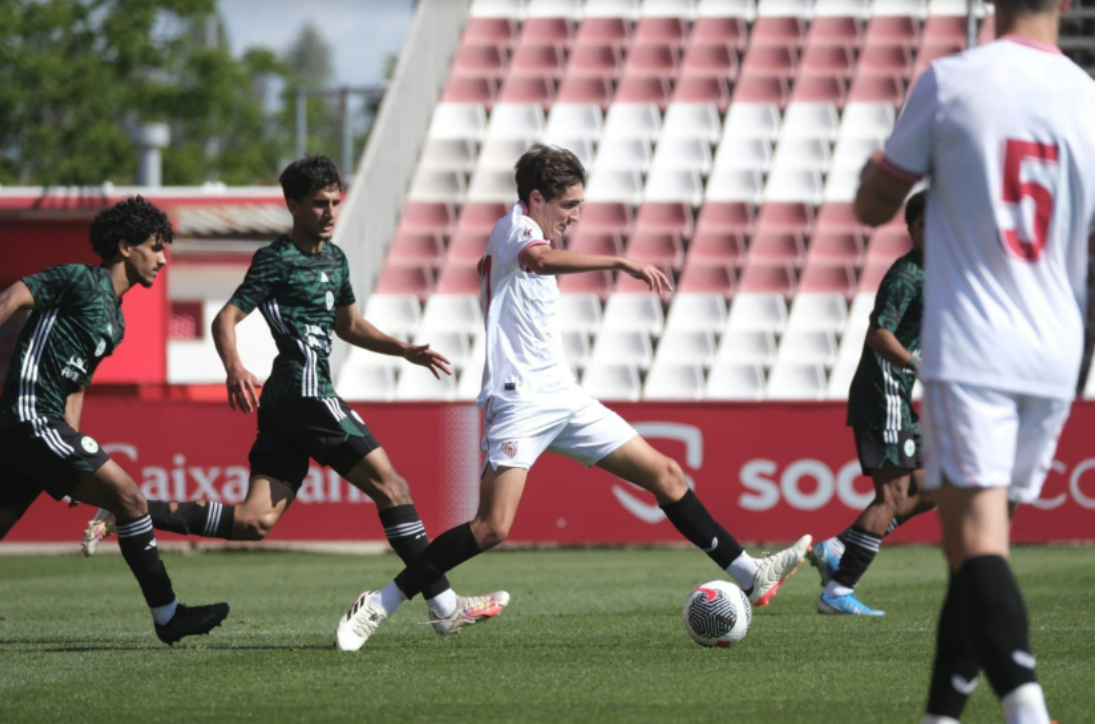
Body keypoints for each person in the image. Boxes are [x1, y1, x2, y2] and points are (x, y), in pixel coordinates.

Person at [332, 144, 812, 652]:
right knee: (492, 528)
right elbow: (536, 261)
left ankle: (748, 574)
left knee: (667, 475)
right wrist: (619, 260)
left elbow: (505, 269)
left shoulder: (514, 236)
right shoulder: (516, 228)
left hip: (562, 395)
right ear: (537, 198)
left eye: (579, 205)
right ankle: (379, 604)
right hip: (519, 400)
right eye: (568, 205)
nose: (575, 215)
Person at [82, 156, 506, 635]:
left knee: (253, 522)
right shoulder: (275, 258)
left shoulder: (336, 258)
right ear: (293, 205)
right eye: (320, 204)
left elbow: (349, 326)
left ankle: (130, 511)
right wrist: (234, 367)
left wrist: (403, 349)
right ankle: (444, 604)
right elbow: (226, 318)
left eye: (335, 203)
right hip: (306, 393)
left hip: (285, 405)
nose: (329, 213)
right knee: (393, 488)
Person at [853, 0, 1094, 720]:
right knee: (979, 550)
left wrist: (877, 172)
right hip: (1060, 346)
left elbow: (875, 206)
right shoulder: (1088, 97)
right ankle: (940, 713)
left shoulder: (954, 81)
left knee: (974, 546)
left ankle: (1026, 707)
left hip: (976, 342)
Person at [0, 196, 230, 645]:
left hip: (41, 429)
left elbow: (76, 386)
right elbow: (10, 298)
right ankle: (169, 616)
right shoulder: (78, 279)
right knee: (130, 499)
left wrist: (71, 450)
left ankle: (169, 616)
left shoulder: (114, 321)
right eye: (156, 247)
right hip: (29, 415)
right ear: (125, 246)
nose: (163, 259)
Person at [807, 191, 937, 616]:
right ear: (912, 228)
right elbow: (879, 334)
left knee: (931, 487)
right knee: (893, 495)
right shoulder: (908, 275)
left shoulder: (937, 272)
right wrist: (918, 366)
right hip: (883, 393)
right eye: (926, 224)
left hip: (896, 393)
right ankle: (839, 589)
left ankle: (838, 546)